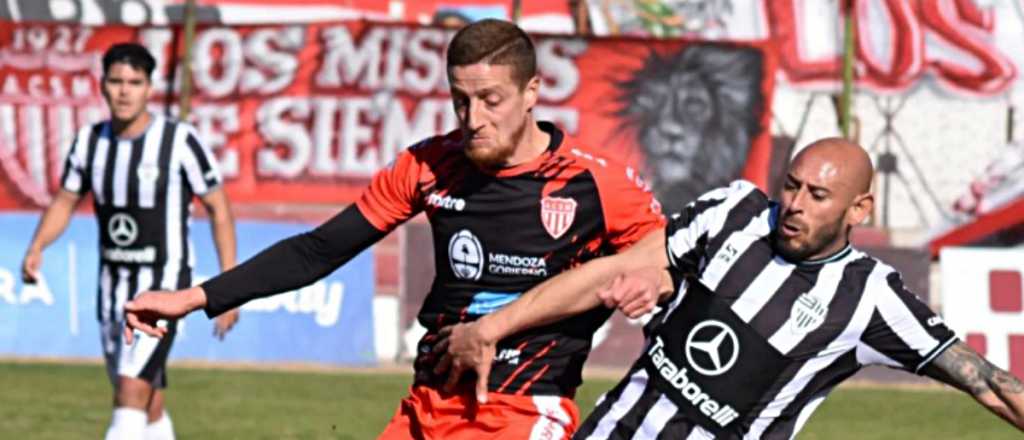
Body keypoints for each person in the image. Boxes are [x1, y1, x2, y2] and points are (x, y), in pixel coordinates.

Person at [121, 19, 665, 439]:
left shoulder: (596, 185)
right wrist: (194, 297)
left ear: (532, 92)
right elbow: (319, 250)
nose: (473, 117)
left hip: (522, 409)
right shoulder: (428, 165)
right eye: (460, 100)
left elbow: (669, 256)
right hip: (427, 406)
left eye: (491, 100)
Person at [435, 137, 1024, 439]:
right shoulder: (735, 213)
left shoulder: (872, 298)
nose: (793, 204)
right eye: (791, 185)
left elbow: (991, 385)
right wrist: (494, 325)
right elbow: (625, 269)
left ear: (859, 209)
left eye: (817, 197)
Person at [21, 43, 239, 440]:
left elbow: (219, 208)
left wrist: (229, 285)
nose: (124, 91)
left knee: (130, 390)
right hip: (112, 290)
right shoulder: (89, 142)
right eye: (116, 81)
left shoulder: (180, 141)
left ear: (149, 88)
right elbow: (66, 199)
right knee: (147, 399)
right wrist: (37, 246)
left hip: (165, 285)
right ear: (102, 85)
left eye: (134, 83)